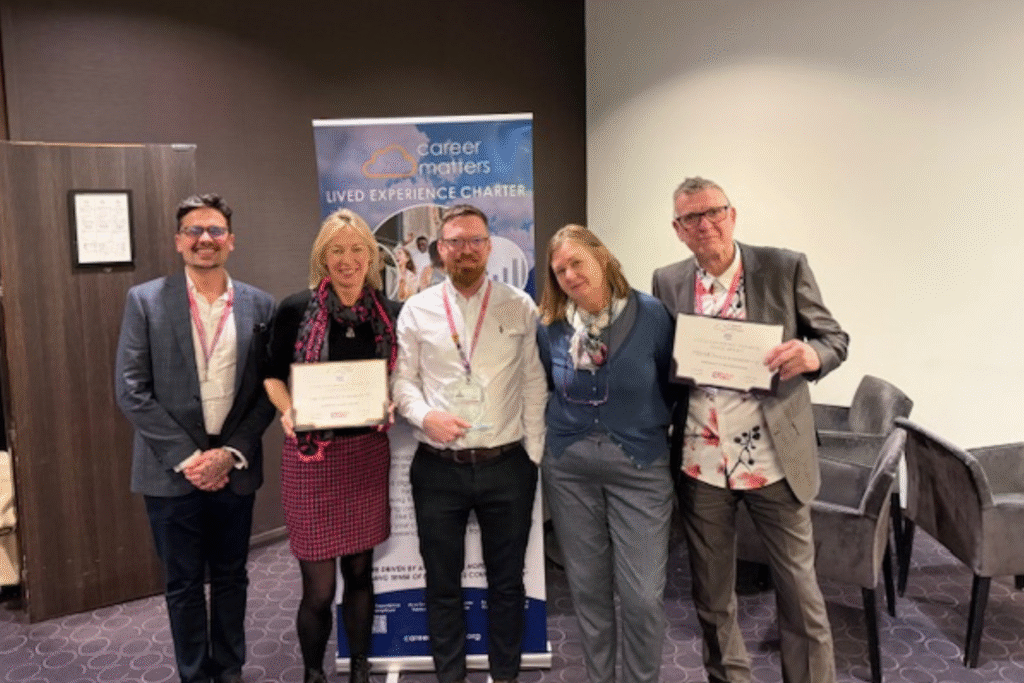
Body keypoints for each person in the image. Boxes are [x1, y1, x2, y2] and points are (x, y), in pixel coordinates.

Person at [652, 177, 849, 683]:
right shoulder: (667, 281)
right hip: (701, 462)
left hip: (773, 459)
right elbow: (664, 359)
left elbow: (834, 339)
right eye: (692, 218)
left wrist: (812, 356)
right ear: (678, 229)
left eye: (714, 212)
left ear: (732, 215)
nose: (705, 224)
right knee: (712, 595)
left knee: (800, 594)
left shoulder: (783, 267)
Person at [115, 193, 276, 683]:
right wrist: (190, 458)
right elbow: (131, 389)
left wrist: (229, 454)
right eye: (195, 231)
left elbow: (267, 392)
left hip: (234, 465)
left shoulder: (260, 304)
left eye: (215, 230)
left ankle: (229, 670)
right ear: (178, 241)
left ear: (231, 240)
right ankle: (195, 675)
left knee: (231, 577)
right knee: (183, 583)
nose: (206, 239)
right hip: (170, 469)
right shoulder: (145, 300)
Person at [392, 204, 546, 683]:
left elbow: (533, 381)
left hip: (507, 465)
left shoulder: (518, 305)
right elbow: (403, 381)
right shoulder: (417, 309)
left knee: (507, 584)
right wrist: (425, 416)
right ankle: (451, 676)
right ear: (440, 249)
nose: (465, 250)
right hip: (438, 468)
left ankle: (505, 675)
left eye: (475, 241)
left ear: (489, 247)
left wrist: (532, 457)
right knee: (442, 585)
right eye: (455, 241)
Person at [263, 209, 400, 683]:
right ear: (322, 258)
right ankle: (313, 673)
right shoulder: (295, 309)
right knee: (319, 589)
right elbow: (271, 375)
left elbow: (398, 375)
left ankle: (360, 668)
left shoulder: (388, 314)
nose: (347, 259)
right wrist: (287, 411)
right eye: (336, 250)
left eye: (357, 249)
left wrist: (391, 400)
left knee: (361, 574)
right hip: (312, 459)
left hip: (364, 456)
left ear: (371, 256)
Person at [536, 225, 675, 683]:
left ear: (601, 257)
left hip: (639, 464)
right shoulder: (552, 324)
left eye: (577, 263)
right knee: (588, 591)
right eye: (560, 270)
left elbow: (674, 384)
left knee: (642, 597)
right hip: (569, 467)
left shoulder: (651, 315)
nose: (570, 276)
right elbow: (545, 383)